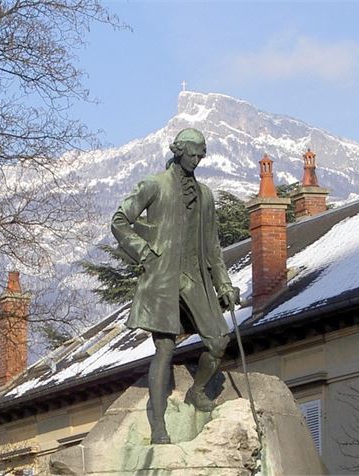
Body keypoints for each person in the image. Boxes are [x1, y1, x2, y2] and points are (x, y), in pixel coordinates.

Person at [111, 128, 240, 445]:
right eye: (192, 153)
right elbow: (119, 220)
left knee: (218, 340)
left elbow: (213, 248)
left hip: (195, 275)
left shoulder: (206, 195)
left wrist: (224, 283)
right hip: (164, 277)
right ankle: (158, 425)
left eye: (201, 155)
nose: (196, 160)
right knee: (165, 348)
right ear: (179, 151)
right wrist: (144, 252)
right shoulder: (155, 185)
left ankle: (197, 392)